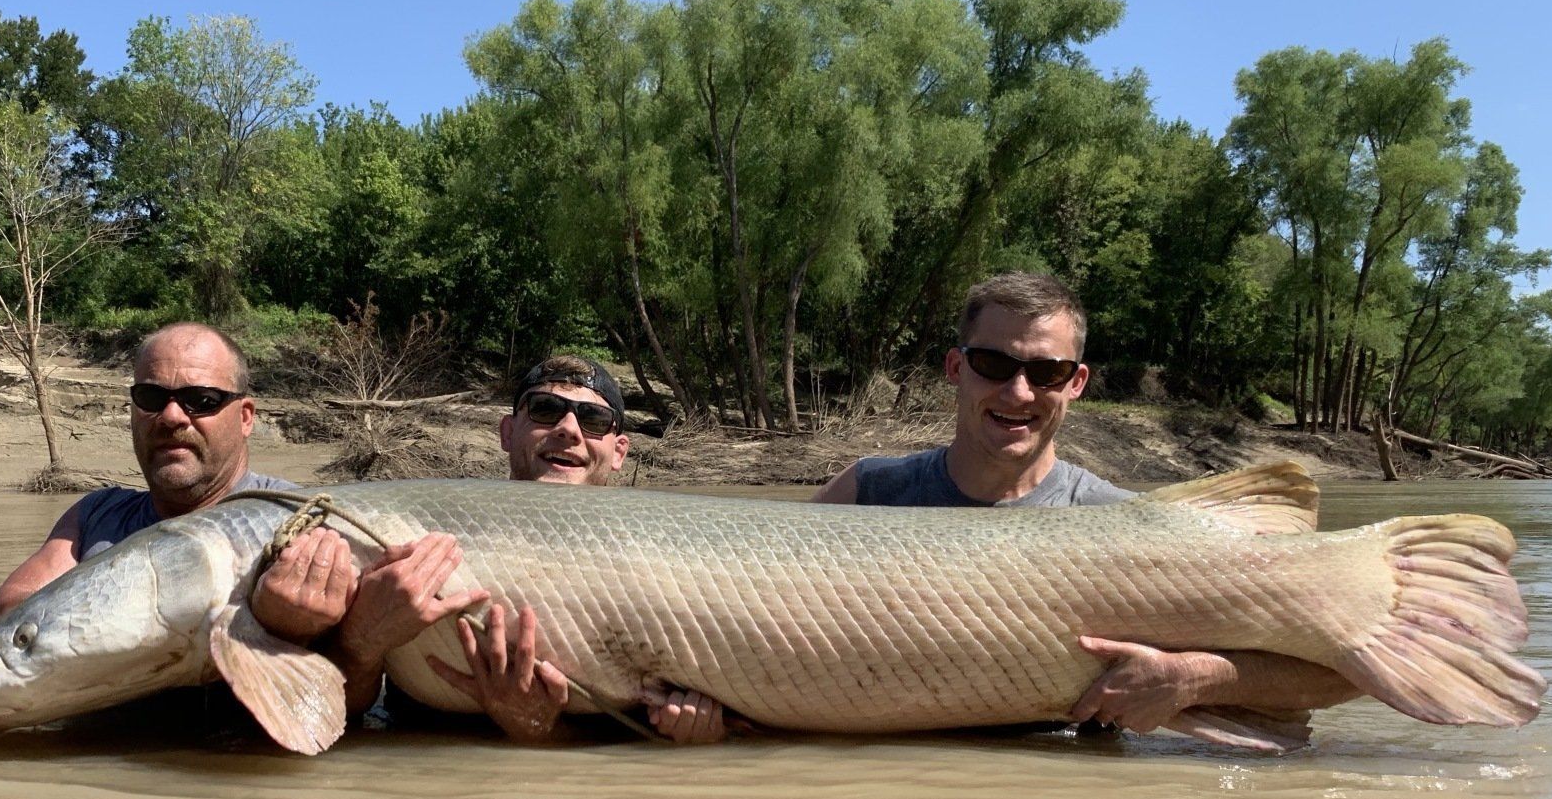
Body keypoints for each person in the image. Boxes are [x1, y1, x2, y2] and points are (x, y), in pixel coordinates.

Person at [812, 272, 1356, 733]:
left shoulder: (1127, 523)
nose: (1019, 392)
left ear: (1077, 383)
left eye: (1046, 371)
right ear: (956, 368)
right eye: (993, 365)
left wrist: (1191, 679)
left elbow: (1344, 669)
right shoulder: (864, 493)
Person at [327, 355, 728, 746]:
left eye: (593, 421)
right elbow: (343, 719)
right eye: (545, 409)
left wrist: (694, 732)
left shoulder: (655, 564)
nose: (569, 429)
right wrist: (359, 644)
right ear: (507, 432)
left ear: (619, 450)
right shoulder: (414, 535)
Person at [0, 322, 346, 648]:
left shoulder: (305, 522)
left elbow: (356, 691)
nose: (171, 416)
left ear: (246, 417)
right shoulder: (95, 514)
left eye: (202, 400)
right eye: (151, 398)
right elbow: (9, 614)